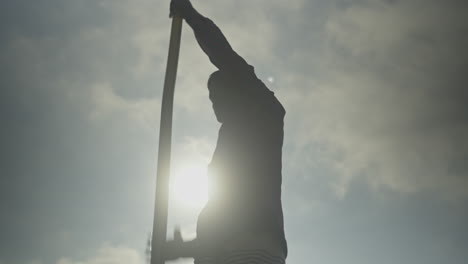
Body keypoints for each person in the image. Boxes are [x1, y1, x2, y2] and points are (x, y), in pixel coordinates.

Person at [165, 0, 287, 263]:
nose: (215, 106)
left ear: (240, 90)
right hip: (232, 249)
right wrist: (179, 251)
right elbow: (225, 217)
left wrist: (190, 15)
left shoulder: (261, 116)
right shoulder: (231, 138)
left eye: (218, 97)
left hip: (249, 249)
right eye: (211, 100)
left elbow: (222, 53)